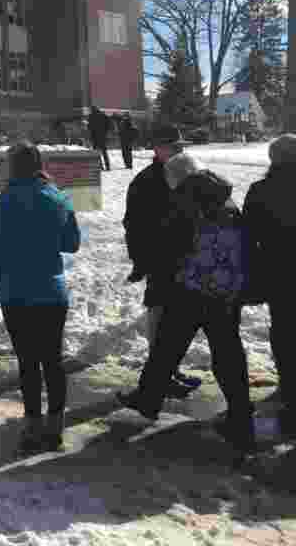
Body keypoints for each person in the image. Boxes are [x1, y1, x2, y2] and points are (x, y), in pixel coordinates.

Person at [118, 160, 256, 459]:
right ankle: (241, 414)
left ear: (176, 179)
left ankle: (147, 401)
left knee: (167, 347)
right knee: (228, 351)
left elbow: (169, 246)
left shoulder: (184, 200)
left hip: (190, 290)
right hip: (226, 290)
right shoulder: (226, 198)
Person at [0, 141, 82, 454]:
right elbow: (72, 243)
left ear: (14, 166)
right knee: (53, 360)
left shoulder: (7, 200)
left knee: (28, 362)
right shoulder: (57, 197)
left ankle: (31, 426)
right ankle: (55, 427)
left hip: (16, 292)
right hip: (52, 292)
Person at [243, 134, 296, 436]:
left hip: (277, 279)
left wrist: (253, 277)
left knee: (282, 333)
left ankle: (290, 387)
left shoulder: (259, 191)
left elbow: (248, 240)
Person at [123, 124, 201, 398]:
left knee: (178, 321)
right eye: (173, 146)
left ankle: (170, 370)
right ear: (157, 148)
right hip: (161, 260)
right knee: (160, 317)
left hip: (189, 260)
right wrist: (140, 261)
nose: (180, 151)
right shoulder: (146, 181)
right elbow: (133, 224)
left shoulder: (190, 171)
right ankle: (161, 377)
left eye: (181, 146)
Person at [88, 105, 113, 171]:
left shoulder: (91, 116)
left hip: (95, 137)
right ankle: (108, 166)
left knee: (96, 153)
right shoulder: (103, 115)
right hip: (102, 137)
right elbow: (109, 124)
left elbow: (89, 127)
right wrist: (106, 132)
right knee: (104, 152)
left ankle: (100, 166)